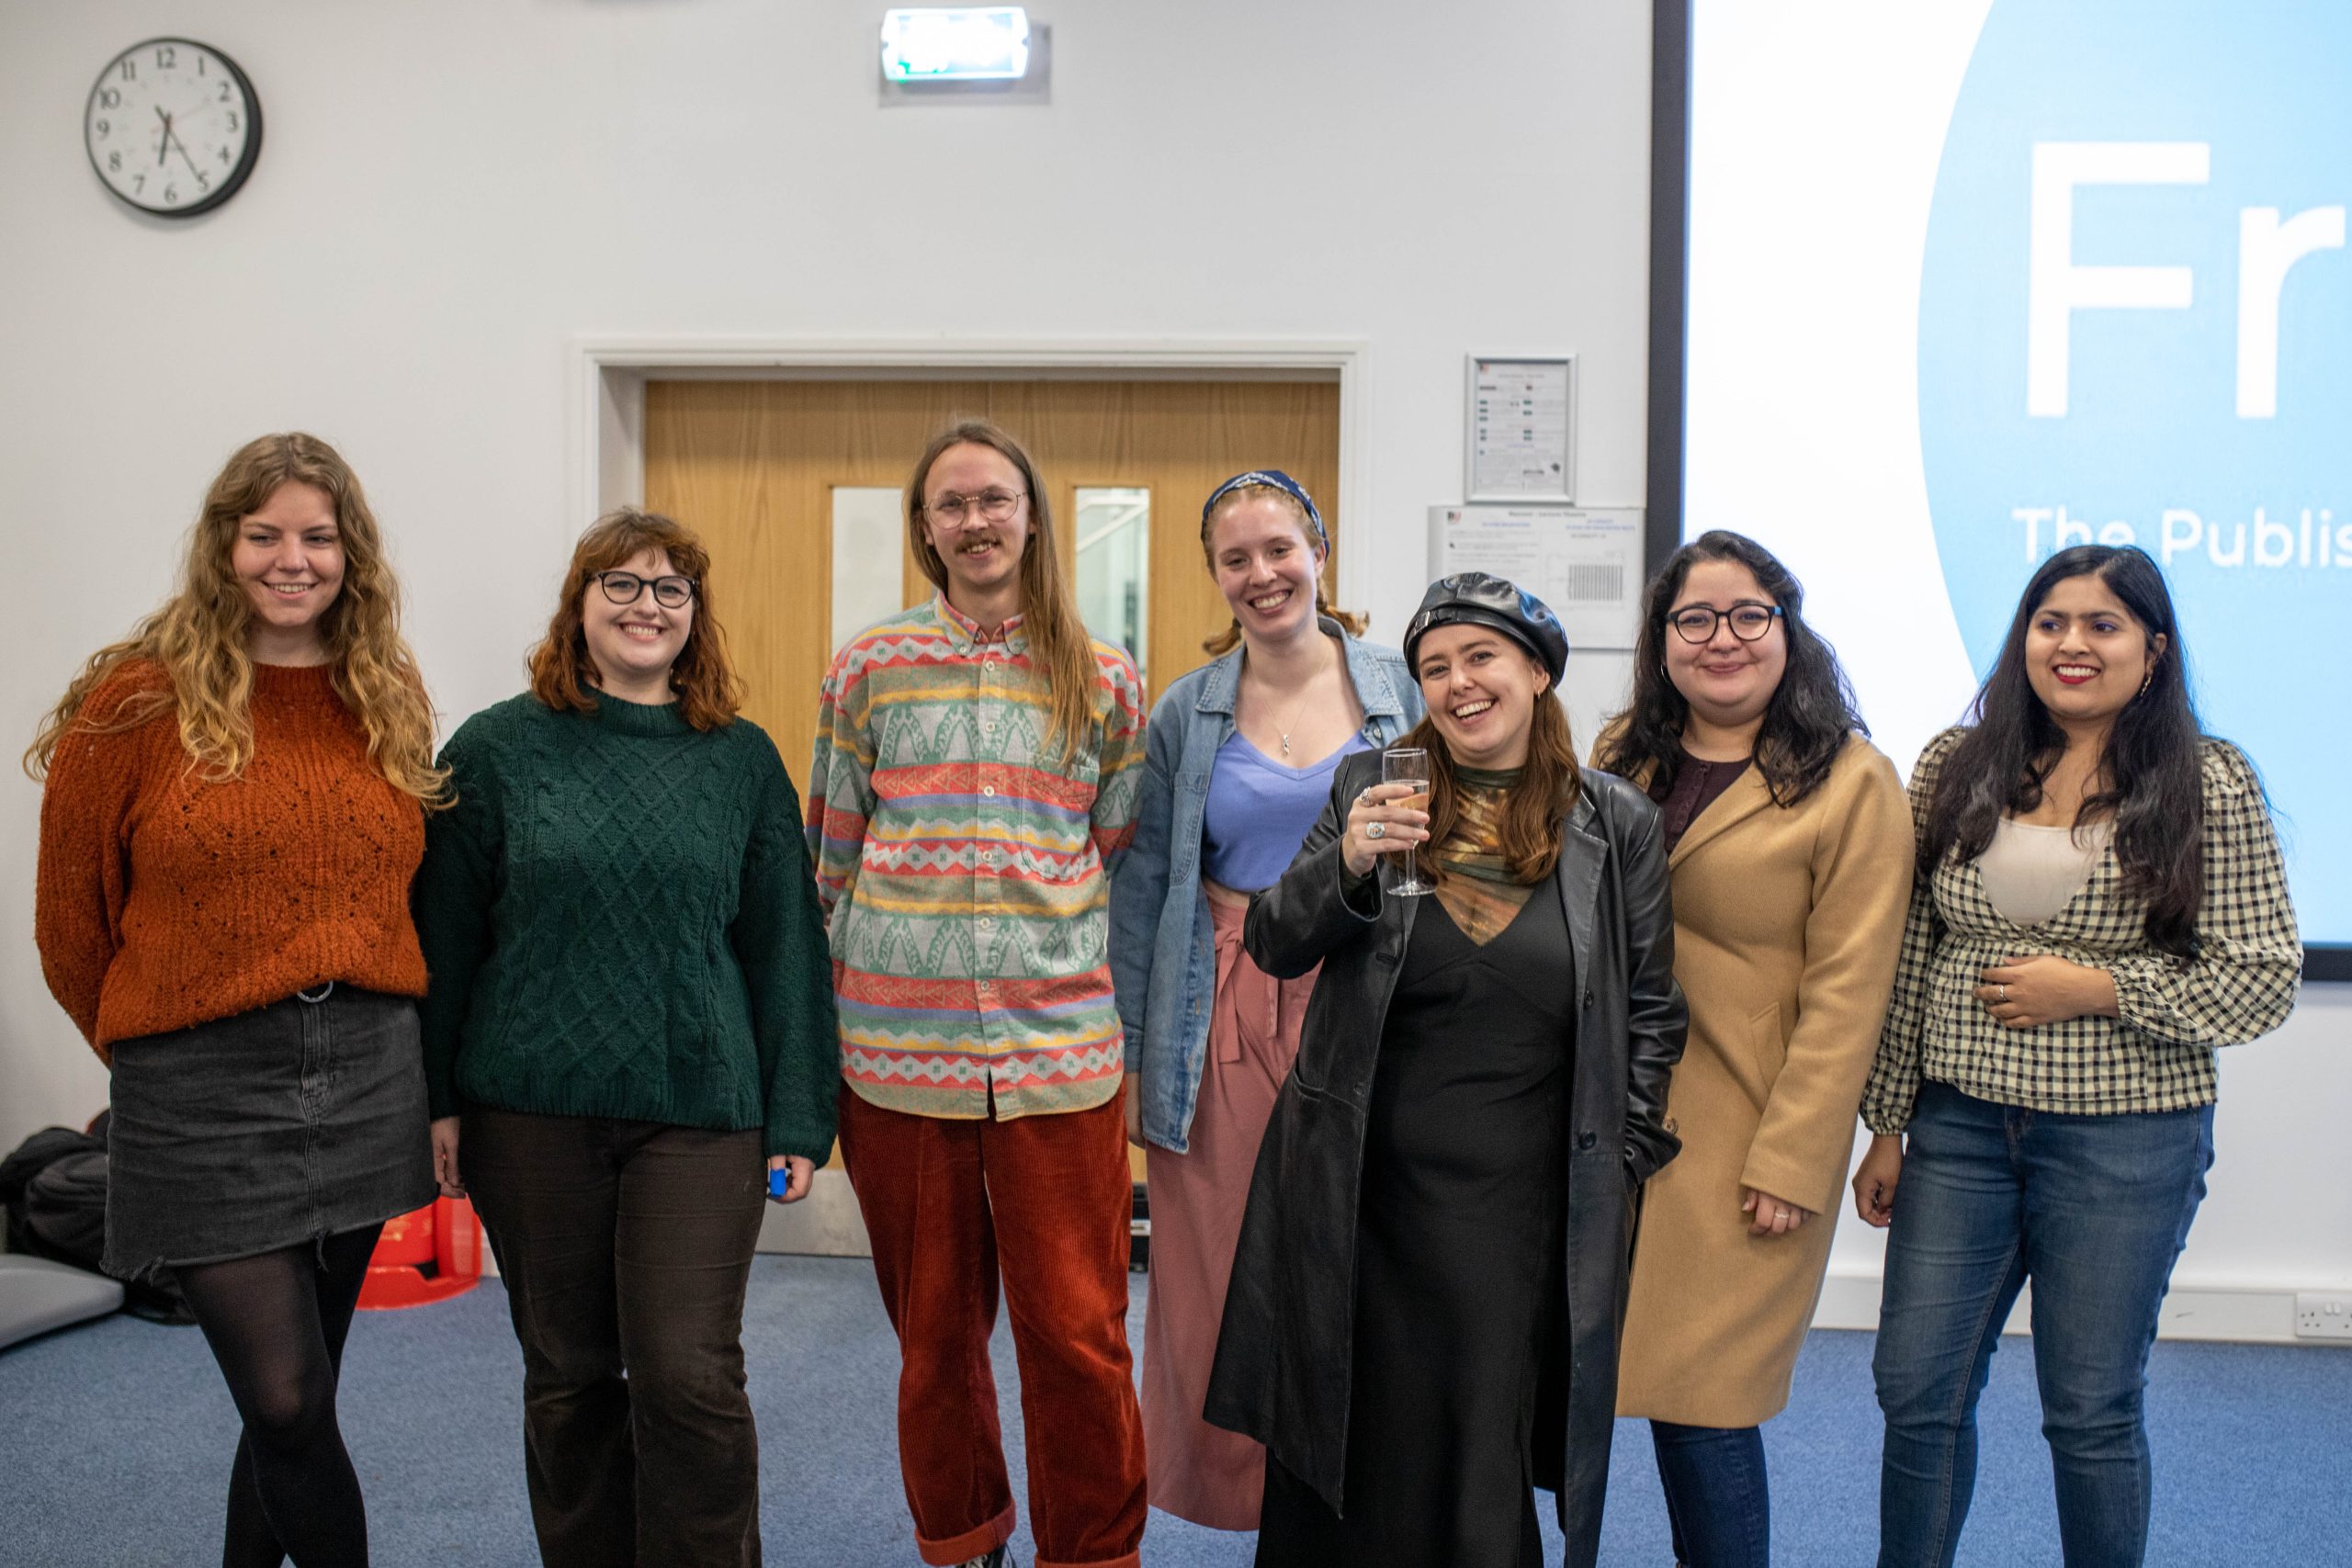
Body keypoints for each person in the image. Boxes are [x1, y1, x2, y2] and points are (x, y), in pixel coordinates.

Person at [1205, 571, 1688, 1568]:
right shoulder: (1374, 785)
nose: (1458, 684)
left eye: (1481, 658)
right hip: (1359, 1189)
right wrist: (1344, 860)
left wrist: (1621, 1157)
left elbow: (1649, 1012)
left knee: (1479, 1439)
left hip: (1516, 1208)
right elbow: (1274, 940)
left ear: (1537, 672)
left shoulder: (1614, 823)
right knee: (1348, 1438)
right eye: (1434, 668)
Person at [30, 432, 446, 1567]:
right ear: (223, 545)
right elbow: (71, 928)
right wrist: (159, 1058)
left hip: (365, 1068)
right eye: (264, 534)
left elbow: (403, 888)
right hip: (200, 1083)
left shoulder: (385, 690)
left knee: (304, 1391)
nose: (291, 558)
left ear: (351, 554)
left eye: (317, 535)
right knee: (282, 1401)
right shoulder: (135, 700)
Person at [1852, 544, 2301, 1568]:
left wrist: (2100, 987)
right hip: (1959, 1128)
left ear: (2152, 648)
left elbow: (2261, 978)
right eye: (2050, 621)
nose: (2071, 644)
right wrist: (1885, 1124)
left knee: (2089, 1410)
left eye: (2102, 625)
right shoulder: (1951, 766)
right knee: (1914, 1390)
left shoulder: (2209, 781)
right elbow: (1908, 953)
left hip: (2126, 1144)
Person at [413, 508, 837, 1567]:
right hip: (528, 1109)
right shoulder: (497, 749)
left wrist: (798, 1113)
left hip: (699, 1109)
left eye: (670, 589)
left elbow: (784, 946)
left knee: (689, 1374)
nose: (647, 606)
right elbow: (444, 941)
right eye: (622, 585)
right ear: (579, 605)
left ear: (695, 618)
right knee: (566, 1377)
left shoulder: (739, 762)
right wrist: (436, 1099)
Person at [808, 420, 1149, 1568]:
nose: (975, 521)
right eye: (950, 505)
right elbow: (832, 857)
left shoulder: (1102, 676)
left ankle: (1093, 1552)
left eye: (994, 499)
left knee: (1081, 1335)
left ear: (1031, 517)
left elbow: (1109, 845)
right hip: (898, 1063)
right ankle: (962, 1539)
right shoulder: (868, 667)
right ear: (925, 529)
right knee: (934, 1344)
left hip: (1059, 1059)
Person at [1106, 470, 1421, 1530]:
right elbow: (1145, 888)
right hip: (1226, 1000)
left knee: (1369, 1247)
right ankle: (1247, 1498)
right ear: (1215, 577)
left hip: (1369, 989)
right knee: (1222, 1260)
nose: (1261, 574)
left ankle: (1362, 1492)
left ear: (1319, 551)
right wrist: (1134, 1052)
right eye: (1235, 559)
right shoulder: (1183, 713)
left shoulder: (1400, 683)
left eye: (1278, 549)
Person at [1593, 530, 1915, 1567]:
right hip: (1607, 1123)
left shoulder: (1850, 780)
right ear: (1663, 638)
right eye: (1694, 618)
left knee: (1706, 1402)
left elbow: (1848, 991)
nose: (1720, 639)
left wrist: (1794, 1159)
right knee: (1588, 1387)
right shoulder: (1617, 756)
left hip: (1742, 1138)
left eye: (1748, 616)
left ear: (1786, 629)